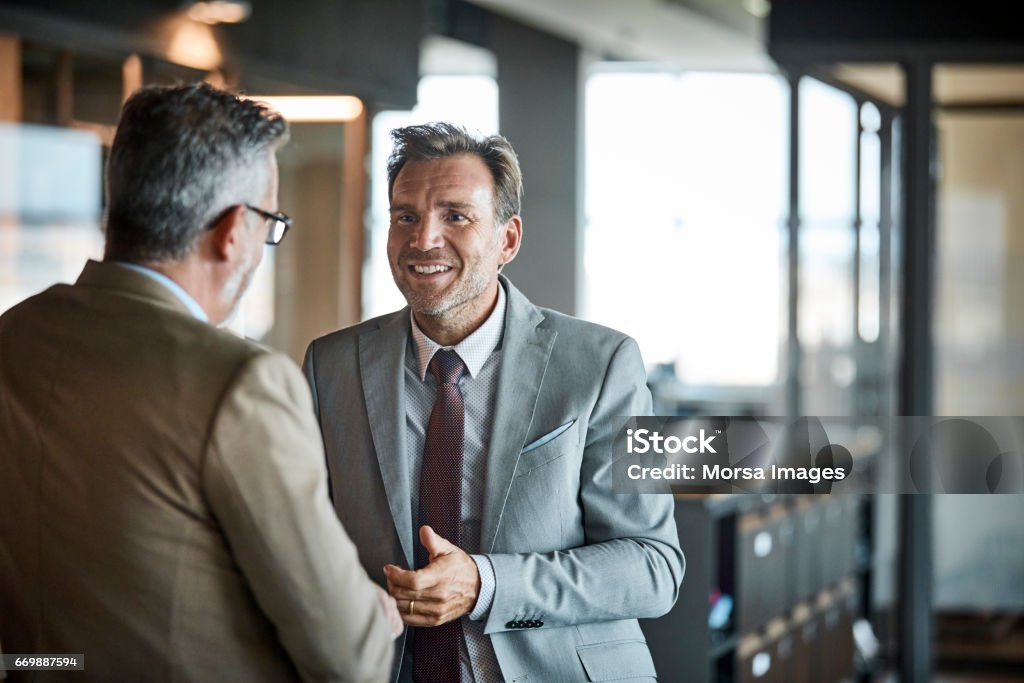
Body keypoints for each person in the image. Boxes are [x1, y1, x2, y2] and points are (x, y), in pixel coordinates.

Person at [0, 83, 398, 682]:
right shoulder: (241, 385)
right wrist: (378, 613)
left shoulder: (14, 334)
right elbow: (351, 659)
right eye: (271, 223)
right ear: (235, 229)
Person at [302, 122, 684, 682]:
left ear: (507, 239)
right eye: (406, 215)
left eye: (455, 216)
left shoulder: (603, 364)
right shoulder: (330, 365)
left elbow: (652, 568)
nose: (424, 238)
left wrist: (486, 584)